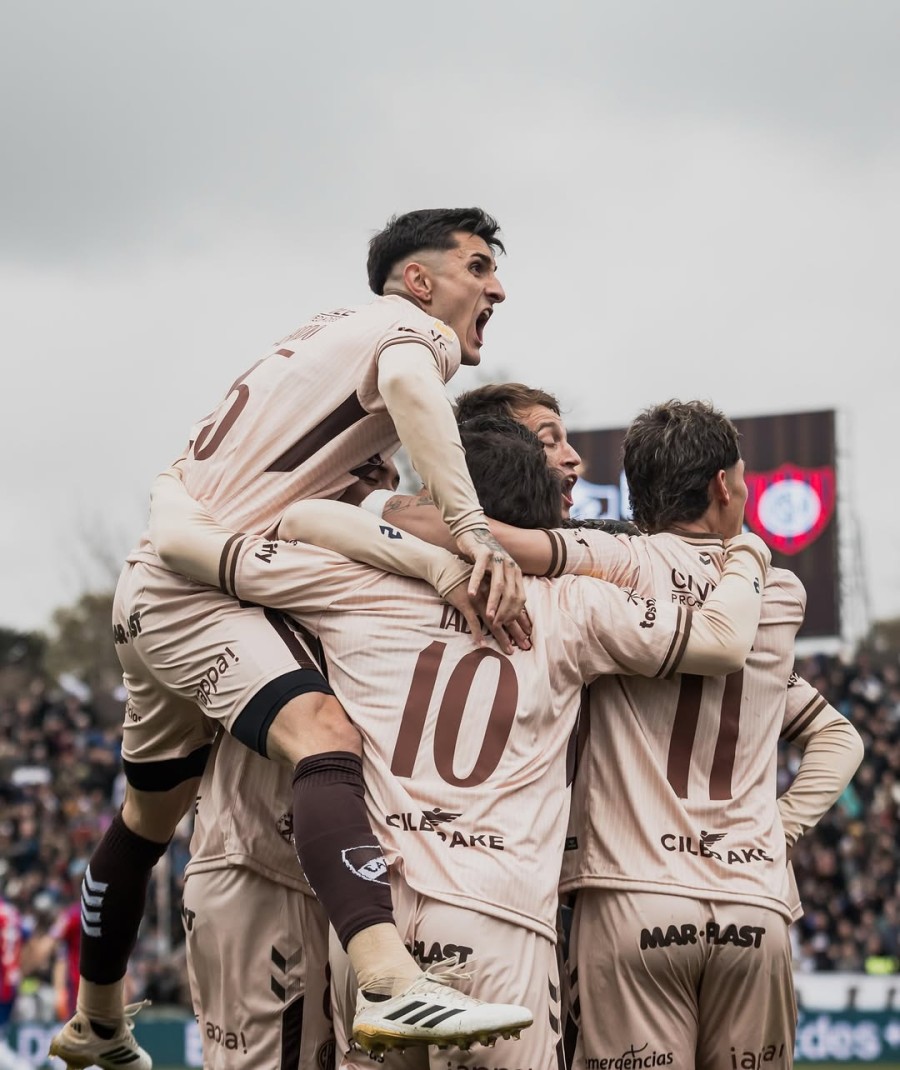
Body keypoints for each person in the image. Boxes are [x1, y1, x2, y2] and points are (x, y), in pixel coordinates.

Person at [50, 208, 529, 1070]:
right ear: (419, 281)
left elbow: (294, 500)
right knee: (324, 733)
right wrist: (473, 534)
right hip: (202, 586)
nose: (496, 286)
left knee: (149, 814)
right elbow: (416, 394)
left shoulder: (317, 347)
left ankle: (98, 1017)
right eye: (478, 266)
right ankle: (389, 981)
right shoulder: (409, 333)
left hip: (154, 580)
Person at [147, 415, 772, 1068]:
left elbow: (271, 527)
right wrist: (747, 551)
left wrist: (172, 482)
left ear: (439, 504)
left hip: (373, 924)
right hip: (496, 914)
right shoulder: (573, 604)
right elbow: (720, 642)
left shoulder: (354, 583)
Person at [368, 397, 865, 1069]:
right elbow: (841, 739)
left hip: (628, 896)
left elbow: (480, 535)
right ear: (725, 485)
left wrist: (393, 510)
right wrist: (782, 829)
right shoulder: (777, 596)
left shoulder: (608, 568)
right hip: (755, 903)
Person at [183, 459, 400, 1070]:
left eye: (391, 470)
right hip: (259, 867)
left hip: (313, 877)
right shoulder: (269, 560)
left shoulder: (349, 561)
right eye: (369, 470)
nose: (388, 486)